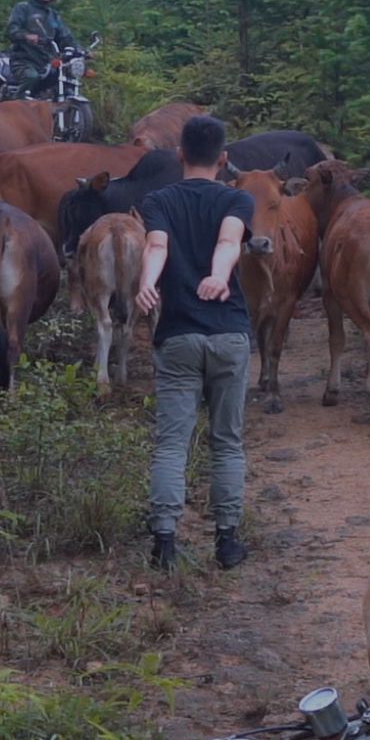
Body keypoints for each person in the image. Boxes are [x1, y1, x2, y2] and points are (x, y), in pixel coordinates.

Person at [135, 115, 254, 571]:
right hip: (228, 335)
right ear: (223, 159)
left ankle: (164, 543)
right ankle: (226, 542)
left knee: (171, 444)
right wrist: (219, 278)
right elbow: (229, 240)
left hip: (179, 335)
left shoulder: (159, 200)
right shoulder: (237, 198)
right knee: (227, 442)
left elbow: (157, 248)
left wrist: (149, 285)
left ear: (180, 154)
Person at [5, 0, 75, 96]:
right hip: (23, 59)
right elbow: (12, 29)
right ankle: (14, 110)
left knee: (62, 79)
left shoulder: (53, 15)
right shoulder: (23, 8)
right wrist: (26, 36)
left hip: (47, 60)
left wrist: (82, 50)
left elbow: (66, 36)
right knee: (31, 77)